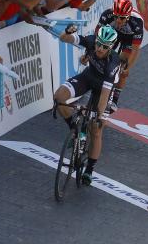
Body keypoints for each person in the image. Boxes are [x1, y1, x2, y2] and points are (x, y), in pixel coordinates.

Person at [53, 24, 121, 185]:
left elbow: (104, 96)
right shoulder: (91, 41)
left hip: (104, 88)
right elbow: (65, 39)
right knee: (59, 97)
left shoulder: (113, 63)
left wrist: (98, 115)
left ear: (110, 47)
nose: (99, 48)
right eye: (98, 43)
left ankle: (89, 169)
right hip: (88, 77)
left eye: (104, 46)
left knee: (96, 129)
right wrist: (67, 32)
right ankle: (75, 130)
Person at [95, 0, 144, 113]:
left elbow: (135, 50)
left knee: (123, 67)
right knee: (101, 55)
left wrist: (127, 67)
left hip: (129, 39)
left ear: (128, 16)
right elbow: (97, 37)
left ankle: (115, 98)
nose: (118, 20)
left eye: (122, 18)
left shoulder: (136, 22)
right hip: (113, 34)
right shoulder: (107, 15)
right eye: (116, 16)